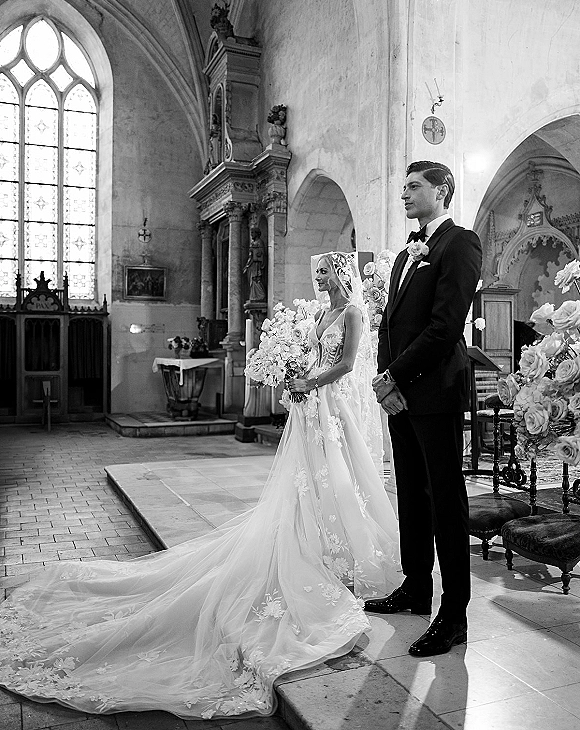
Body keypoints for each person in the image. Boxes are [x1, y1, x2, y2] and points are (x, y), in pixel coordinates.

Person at [0, 252, 399, 720]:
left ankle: (337, 558)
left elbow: (349, 363)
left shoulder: (351, 313)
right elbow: (312, 352)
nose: (319, 278)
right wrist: (292, 372)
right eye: (315, 272)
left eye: (325, 271)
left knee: (337, 483)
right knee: (304, 485)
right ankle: (313, 550)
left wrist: (307, 380)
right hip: (308, 408)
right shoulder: (317, 314)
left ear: (342, 273)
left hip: (331, 408)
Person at [366, 161, 482, 657]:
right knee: (410, 494)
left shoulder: (461, 244)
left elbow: (445, 326)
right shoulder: (404, 256)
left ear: (444, 190)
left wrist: (396, 376)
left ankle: (453, 612)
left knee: (443, 499)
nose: (405, 195)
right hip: (402, 395)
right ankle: (416, 589)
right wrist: (384, 381)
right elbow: (389, 325)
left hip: (434, 391)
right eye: (404, 188)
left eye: (415, 187)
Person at [243, 226, 266, 301]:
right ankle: (253, 296)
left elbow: (258, 255)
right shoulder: (253, 243)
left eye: (253, 233)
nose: (251, 234)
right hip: (252, 265)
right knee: (252, 281)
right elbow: (250, 256)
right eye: (251, 233)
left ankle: (260, 296)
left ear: (257, 233)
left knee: (256, 279)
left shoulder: (259, 242)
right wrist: (247, 266)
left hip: (256, 265)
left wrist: (248, 265)